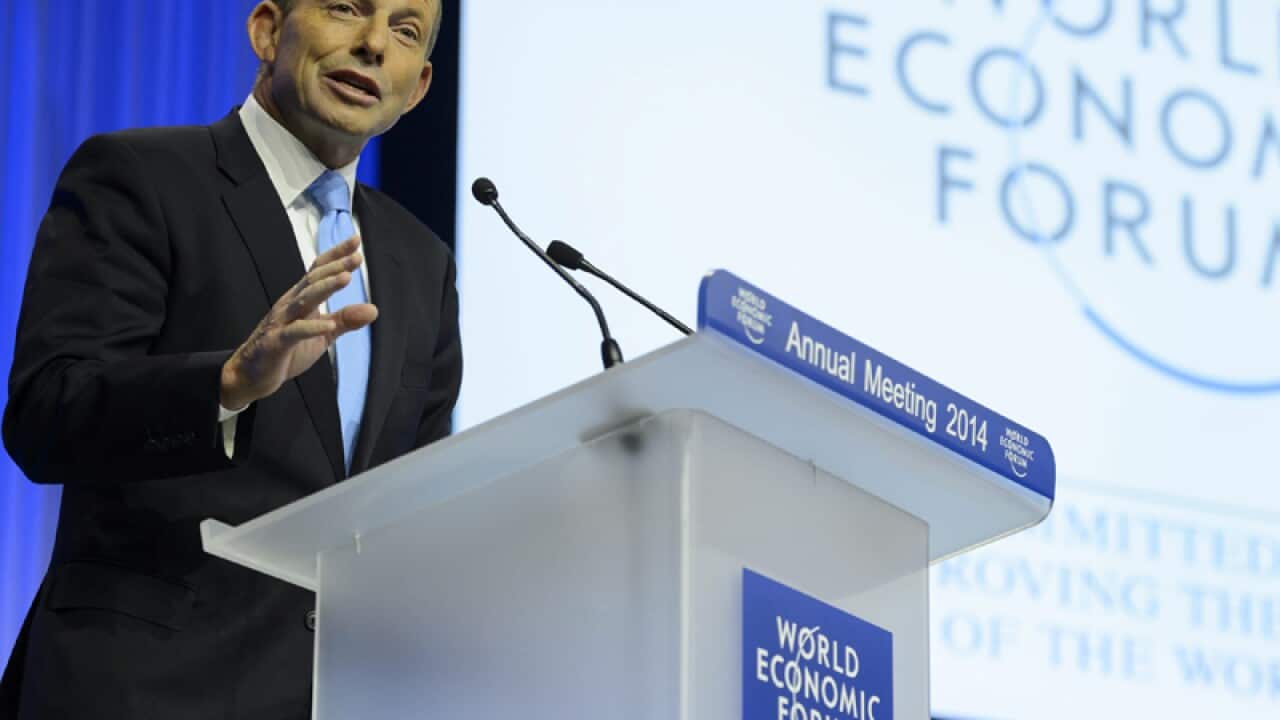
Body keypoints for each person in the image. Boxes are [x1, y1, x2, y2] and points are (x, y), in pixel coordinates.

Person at [0, 0, 458, 717]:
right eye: (347, 9)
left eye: (404, 31)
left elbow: (412, 501)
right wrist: (226, 385)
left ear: (420, 84)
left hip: (327, 696)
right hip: (141, 691)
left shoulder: (420, 262)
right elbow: (45, 415)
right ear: (267, 30)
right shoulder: (140, 176)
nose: (373, 45)